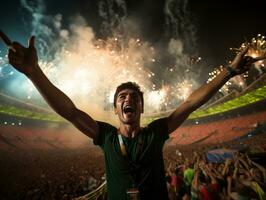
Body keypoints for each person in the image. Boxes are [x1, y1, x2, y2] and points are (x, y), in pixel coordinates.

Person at [0, 30, 265, 200]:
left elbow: (190, 103)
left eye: (134, 98)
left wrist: (228, 72)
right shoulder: (104, 135)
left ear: (141, 108)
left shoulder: (156, 132)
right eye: (122, 98)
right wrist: (35, 73)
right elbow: (69, 111)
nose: (128, 100)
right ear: (116, 109)